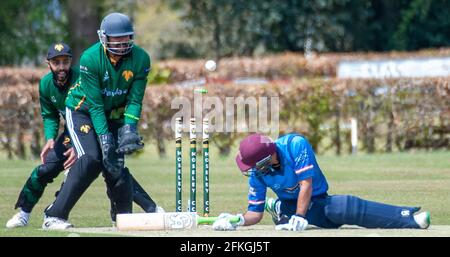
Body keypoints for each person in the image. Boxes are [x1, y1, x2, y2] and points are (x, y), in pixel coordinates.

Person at [6, 43, 160, 229]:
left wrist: (79, 146)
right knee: (47, 168)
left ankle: (149, 210)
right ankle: (24, 213)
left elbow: (96, 108)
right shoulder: (46, 84)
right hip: (73, 131)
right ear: (49, 64)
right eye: (56, 62)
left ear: (71, 62)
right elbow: (50, 115)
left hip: (94, 123)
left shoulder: (83, 75)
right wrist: (50, 138)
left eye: (65, 61)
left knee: (109, 164)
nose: (61, 67)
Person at [43, 13, 156, 230]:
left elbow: (135, 99)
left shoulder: (141, 58)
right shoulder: (90, 58)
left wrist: (130, 127)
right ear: (104, 38)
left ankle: (122, 218)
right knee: (91, 160)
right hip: (81, 110)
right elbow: (94, 105)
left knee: (114, 164)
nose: (122, 43)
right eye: (116, 39)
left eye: (126, 38)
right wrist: (104, 138)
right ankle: (54, 216)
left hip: (113, 113)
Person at [212, 133, 431, 231]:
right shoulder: (258, 174)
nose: (251, 170)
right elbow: (255, 213)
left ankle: (408, 218)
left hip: (313, 198)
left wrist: (299, 217)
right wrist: (238, 220)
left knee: (344, 208)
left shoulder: (295, 145)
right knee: (331, 215)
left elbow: (306, 184)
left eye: (254, 165)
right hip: (295, 205)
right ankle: (281, 208)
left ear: (268, 158)